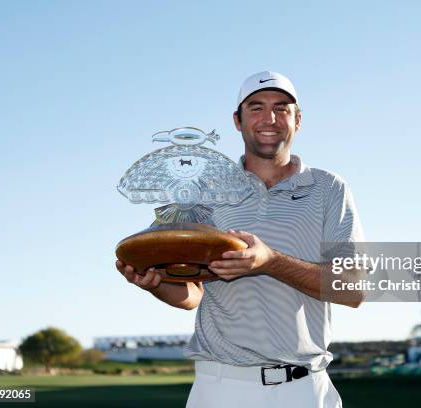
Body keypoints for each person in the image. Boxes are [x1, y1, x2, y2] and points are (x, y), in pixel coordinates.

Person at [116, 71, 364, 408]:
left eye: (282, 108)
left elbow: (352, 288)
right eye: (256, 107)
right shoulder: (201, 191)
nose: (270, 119)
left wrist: (271, 262)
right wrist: (155, 283)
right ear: (237, 120)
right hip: (221, 387)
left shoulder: (329, 188)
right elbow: (191, 293)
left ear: (298, 120)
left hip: (305, 389)